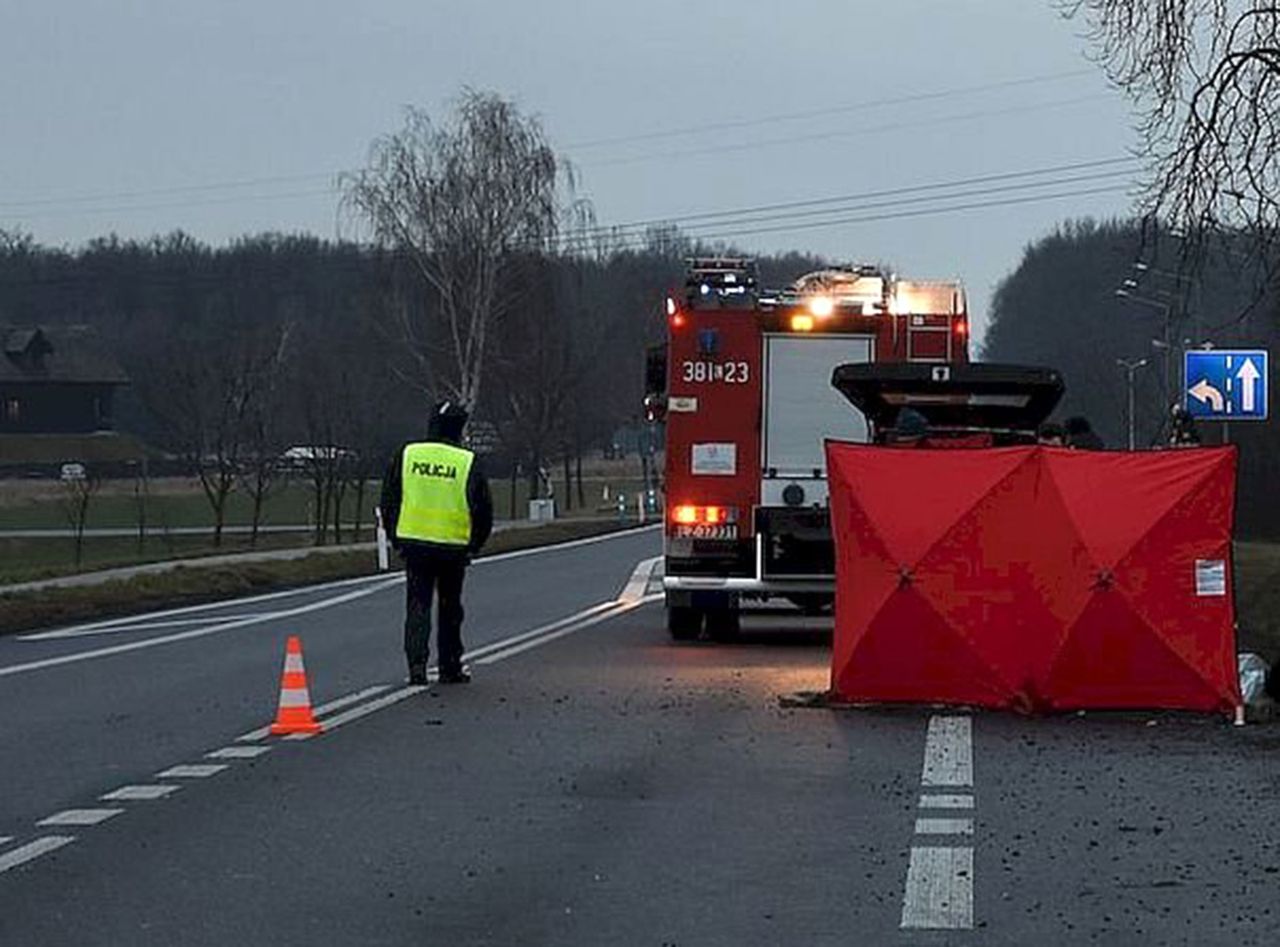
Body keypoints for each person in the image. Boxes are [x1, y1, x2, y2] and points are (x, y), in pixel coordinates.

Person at [380, 401, 494, 685]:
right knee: (450, 608)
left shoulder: (407, 454)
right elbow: (483, 510)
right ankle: (449, 666)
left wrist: (396, 538)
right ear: (459, 428)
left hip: (415, 545)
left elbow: (389, 499)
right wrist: (474, 545)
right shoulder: (466, 461)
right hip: (452, 548)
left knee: (417, 607)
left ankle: (416, 668)